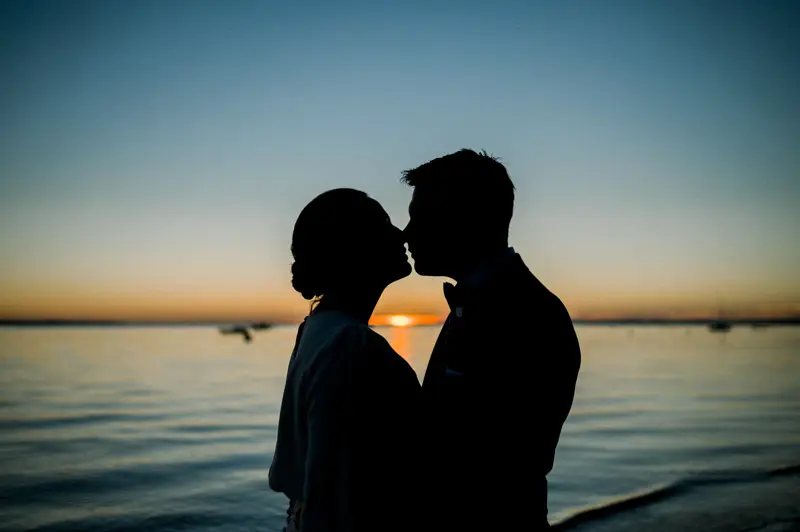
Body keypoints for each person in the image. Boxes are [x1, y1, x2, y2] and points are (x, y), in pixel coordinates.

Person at [402, 149, 581, 530]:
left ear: (463, 218)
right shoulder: (480, 303)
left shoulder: (526, 313)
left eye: (420, 218)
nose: (406, 233)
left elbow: (489, 461)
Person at [268, 188, 421, 532]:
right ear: (355, 247)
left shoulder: (316, 329)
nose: (401, 234)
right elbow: (333, 490)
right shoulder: (350, 345)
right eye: (384, 224)